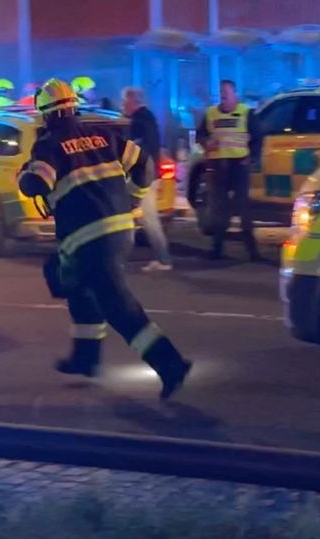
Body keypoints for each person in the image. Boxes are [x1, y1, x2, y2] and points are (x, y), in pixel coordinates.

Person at [17, 79, 191, 399]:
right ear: (74, 107)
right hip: (119, 230)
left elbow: (36, 184)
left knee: (117, 306)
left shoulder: (50, 144)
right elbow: (144, 165)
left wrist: (24, 175)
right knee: (77, 287)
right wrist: (134, 199)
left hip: (87, 238)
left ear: (46, 114)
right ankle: (86, 358)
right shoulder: (105, 135)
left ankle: (171, 364)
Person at [197, 79, 260, 261]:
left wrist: (252, 157)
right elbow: (201, 134)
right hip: (219, 166)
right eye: (221, 92)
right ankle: (217, 250)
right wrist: (206, 142)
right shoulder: (211, 113)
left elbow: (257, 137)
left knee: (243, 209)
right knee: (220, 209)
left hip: (239, 166)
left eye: (226, 92)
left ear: (235, 94)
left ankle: (253, 252)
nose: (223, 95)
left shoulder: (246, 113)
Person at [122, 86, 173, 271]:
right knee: (134, 218)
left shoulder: (140, 121)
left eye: (124, 101)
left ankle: (163, 259)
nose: (122, 105)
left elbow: (139, 150)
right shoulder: (146, 119)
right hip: (145, 177)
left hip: (143, 178)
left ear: (133, 101)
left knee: (145, 219)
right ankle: (162, 259)